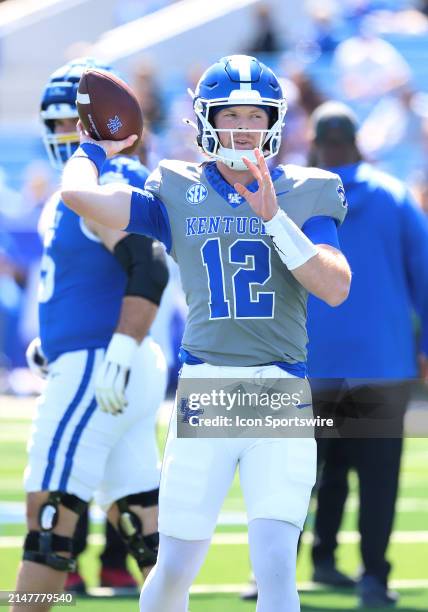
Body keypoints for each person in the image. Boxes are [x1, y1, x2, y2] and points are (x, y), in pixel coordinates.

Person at [60, 54, 352, 612]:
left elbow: (335, 287)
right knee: (173, 569)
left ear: (274, 122)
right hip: (207, 390)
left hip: (280, 395)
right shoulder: (176, 185)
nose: (244, 127)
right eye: (231, 114)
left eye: (255, 115)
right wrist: (93, 149)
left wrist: (274, 219)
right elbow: (80, 197)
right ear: (206, 121)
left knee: (276, 572)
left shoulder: (309, 188)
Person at [11, 58, 169, 612]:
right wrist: (50, 343)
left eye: (73, 124)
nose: (63, 136)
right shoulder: (68, 195)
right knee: (147, 530)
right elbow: (84, 283)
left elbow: (148, 266)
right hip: (101, 364)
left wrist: (118, 350)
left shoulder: (103, 183)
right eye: (56, 124)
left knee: (49, 519)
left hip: (100, 367)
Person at [306, 101, 428, 608]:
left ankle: (290, 570)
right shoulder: (395, 195)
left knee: (304, 473)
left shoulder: (297, 196)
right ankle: (373, 578)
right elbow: (424, 276)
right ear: (358, 142)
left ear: (315, 143)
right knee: (375, 477)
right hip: (381, 361)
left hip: (309, 360)